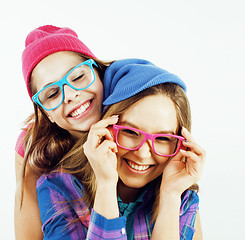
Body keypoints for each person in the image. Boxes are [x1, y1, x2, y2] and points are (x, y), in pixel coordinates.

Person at [36, 59, 205, 239]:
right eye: (131, 132)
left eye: (163, 138)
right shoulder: (58, 188)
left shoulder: (181, 198)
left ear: (181, 144)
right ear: (104, 127)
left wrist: (170, 197)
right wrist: (106, 185)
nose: (142, 153)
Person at [14, 24, 142, 239]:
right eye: (52, 93)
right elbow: (28, 234)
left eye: (77, 77)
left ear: (98, 72)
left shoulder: (137, 115)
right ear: (45, 114)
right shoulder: (33, 147)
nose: (71, 95)